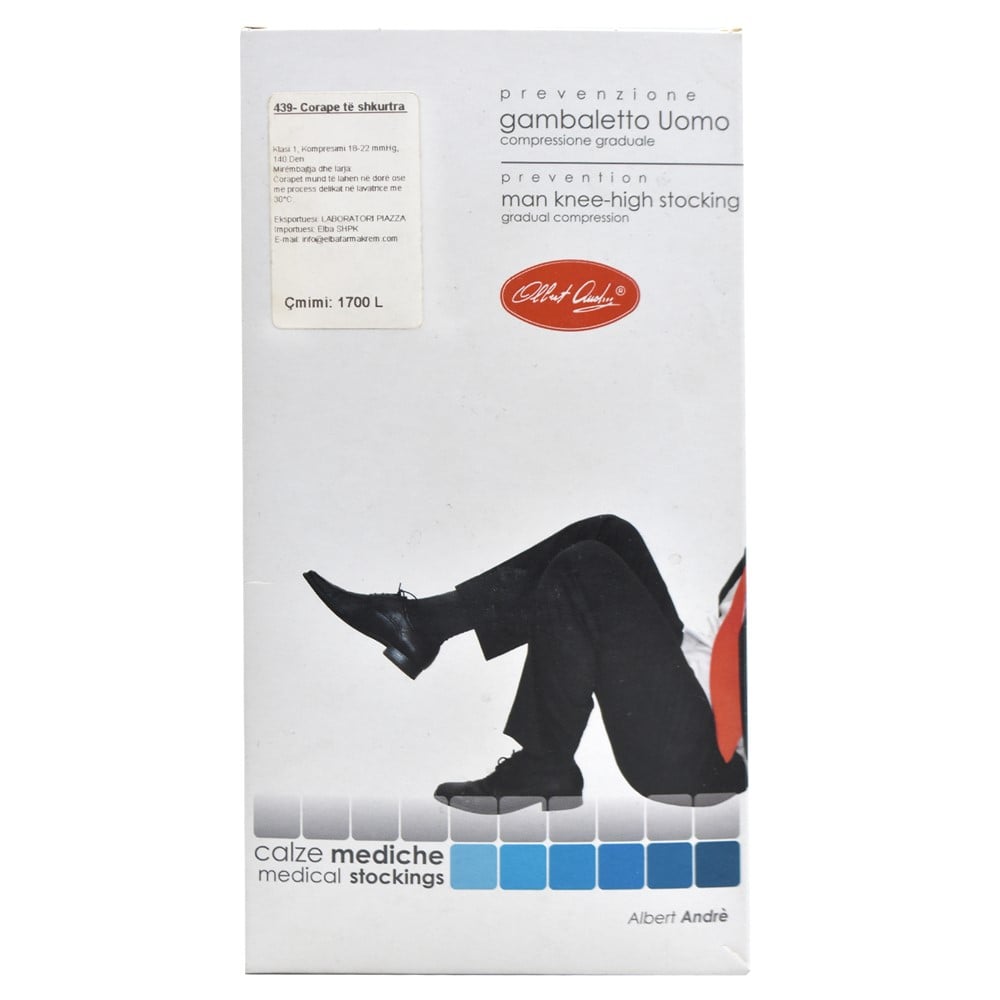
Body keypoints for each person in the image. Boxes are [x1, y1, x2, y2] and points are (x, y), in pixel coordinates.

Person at [304, 514, 747, 814]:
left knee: (583, 566)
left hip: (702, 760)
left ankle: (545, 763)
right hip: (696, 681)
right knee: (608, 533)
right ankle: (423, 624)